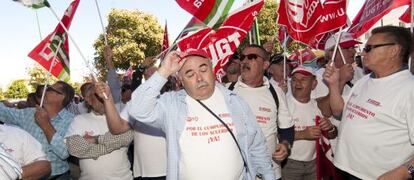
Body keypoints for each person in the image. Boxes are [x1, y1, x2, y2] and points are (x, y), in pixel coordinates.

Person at [95, 49, 275, 180]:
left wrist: (268, 176)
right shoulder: (171, 104)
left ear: (212, 69)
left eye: (203, 69)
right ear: (180, 80)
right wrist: (164, 71)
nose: (199, 78)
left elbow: (256, 143)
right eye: (190, 74)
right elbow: (137, 109)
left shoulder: (235, 101)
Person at [324, 26, 414, 179]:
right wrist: (333, 85)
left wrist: (404, 172)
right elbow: (339, 111)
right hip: (346, 169)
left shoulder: (409, 89)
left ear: (394, 50)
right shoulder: (365, 80)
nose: (362, 52)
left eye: (369, 48)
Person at [229, 44, 294, 179]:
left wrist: (285, 145)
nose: (245, 61)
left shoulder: (276, 92)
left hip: (270, 172)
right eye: (242, 57)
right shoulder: (227, 92)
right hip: (237, 174)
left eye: (252, 57)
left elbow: (286, 128)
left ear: (265, 65)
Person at [0, 81, 75, 179]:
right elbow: (4, 113)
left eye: (49, 89)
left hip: (58, 177)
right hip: (32, 176)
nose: (44, 90)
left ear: (61, 96)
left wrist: (45, 125)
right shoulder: (29, 113)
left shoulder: (72, 121)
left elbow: (64, 153)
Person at [65, 84, 133, 180]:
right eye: (98, 95)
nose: (103, 98)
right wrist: (112, 143)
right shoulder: (79, 120)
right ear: (89, 100)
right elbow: (73, 147)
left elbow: (126, 138)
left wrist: (95, 140)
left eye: (106, 95)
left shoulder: (122, 119)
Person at [282, 66, 337, 180]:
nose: (297, 83)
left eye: (303, 80)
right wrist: (303, 134)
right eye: (294, 80)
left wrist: (330, 128)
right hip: (289, 164)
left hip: (314, 164)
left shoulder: (317, 106)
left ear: (314, 84)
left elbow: (333, 134)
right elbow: (275, 135)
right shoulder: (283, 104)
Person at [312, 32, 364, 100]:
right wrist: (341, 81)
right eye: (347, 48)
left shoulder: (360, 72)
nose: (354, 51)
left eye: (353, 47)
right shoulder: (318, 78)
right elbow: (321, 108)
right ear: (331, 53)